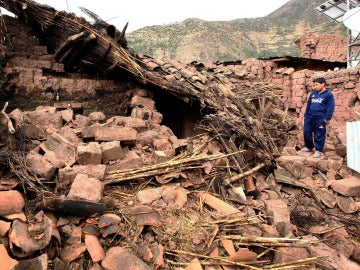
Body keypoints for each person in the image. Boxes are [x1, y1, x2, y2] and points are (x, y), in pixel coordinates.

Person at [302, 77, 335, 158]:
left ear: (323, 84)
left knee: (319, 134)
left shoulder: (329, 94)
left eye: (316, 84)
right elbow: (308, 106)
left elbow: (330, 107)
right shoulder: (313, 94)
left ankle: (318, 150)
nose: (315, 86)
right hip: (309, 117)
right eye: (314, 84)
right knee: (306, 132)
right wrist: (305, 116)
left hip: (320, 118)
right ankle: (309, 146)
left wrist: (327, 118)